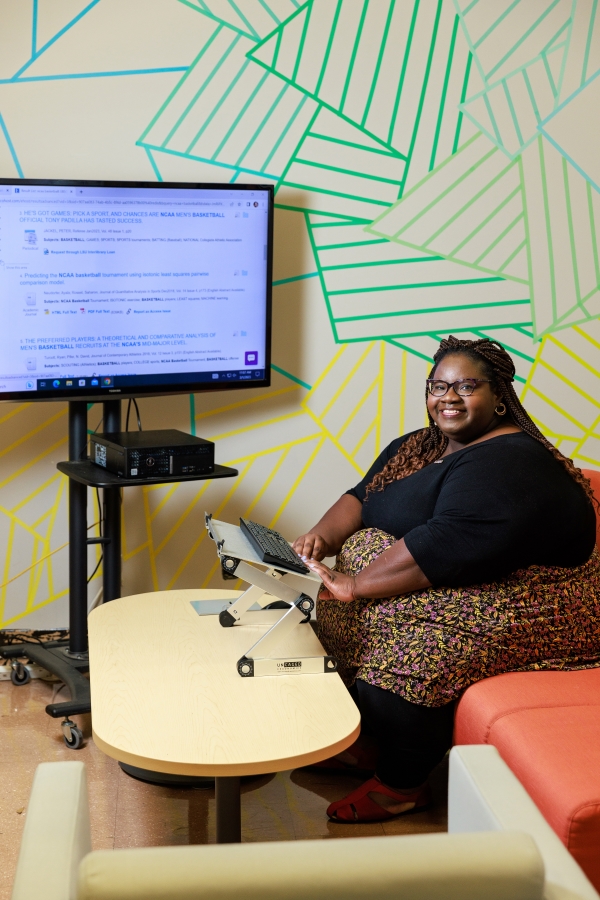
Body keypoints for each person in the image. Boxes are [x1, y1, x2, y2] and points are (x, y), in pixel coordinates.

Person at [293, 335, 600, 824]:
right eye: (438, 386)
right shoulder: (421, 444)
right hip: (458, 582)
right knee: (341, 620)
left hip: (536, 604)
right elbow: (360, 496)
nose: (448, 397)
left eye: (466, 386)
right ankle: (370, 746)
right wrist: (318, 539)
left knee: (402, 663)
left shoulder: (509, 460)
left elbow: (444, 542)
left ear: (500, 396)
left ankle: (402, 784)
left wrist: (352, 585)